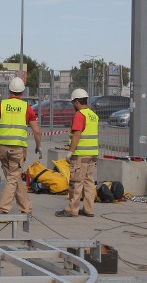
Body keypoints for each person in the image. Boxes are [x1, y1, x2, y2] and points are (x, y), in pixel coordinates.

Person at [0, 77, 42, 215]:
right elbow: (36, 131)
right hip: (18, 149)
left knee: (14, 178)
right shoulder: (27, 108)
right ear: (23, 92)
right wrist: (38, 146)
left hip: (2, 149)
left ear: (9, 90)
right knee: (13, 179)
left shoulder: (1, 105)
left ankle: (26, 207)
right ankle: (2, 209)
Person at [55, 88, 99, 218]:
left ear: (77, 102)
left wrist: (70, 152)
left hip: (80, 155)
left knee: (76, 183)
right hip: (92, 155)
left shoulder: (80, 115)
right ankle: (89, 209)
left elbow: (77, 135)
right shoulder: (93, 115)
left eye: (73, 102)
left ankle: (71, 210)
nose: (73, 105)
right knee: (89, 183)